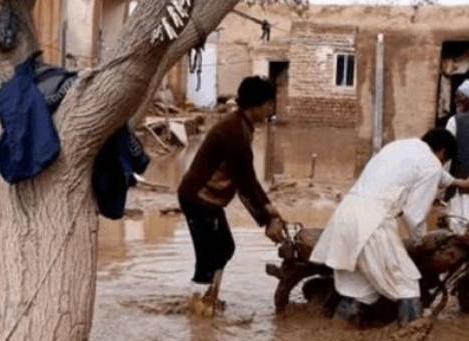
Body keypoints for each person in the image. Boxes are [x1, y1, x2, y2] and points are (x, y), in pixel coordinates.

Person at [310, 129, 469, 324]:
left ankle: (336, 334)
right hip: (373, 223)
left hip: (346, 215)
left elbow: (431, 173)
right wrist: (421, 242)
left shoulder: (399, 147)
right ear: (443, 153)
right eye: (444, 161)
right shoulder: (432, 165)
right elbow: (414, 215)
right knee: (407, 285)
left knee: (358, 289)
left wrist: (458, 182)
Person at [177, 76, 286, 314]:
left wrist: (269, 211)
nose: (271, 109)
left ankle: (208, 299)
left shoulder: (242, 126)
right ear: (255, 105)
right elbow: (246, 182)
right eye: (269, 104)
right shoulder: (234, 133)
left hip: (207, 200)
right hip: (198, 199)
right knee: (211, 255)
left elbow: (247, 180)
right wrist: (267, 220)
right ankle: (197, 308)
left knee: (224, 248)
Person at [445, 80, 469, 234]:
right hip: (462, 185)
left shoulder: (455, 121)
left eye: (459, 98)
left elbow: (446, 156)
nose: (456, 101)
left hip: (460, 186)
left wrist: (443, 182)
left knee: (458, 228)